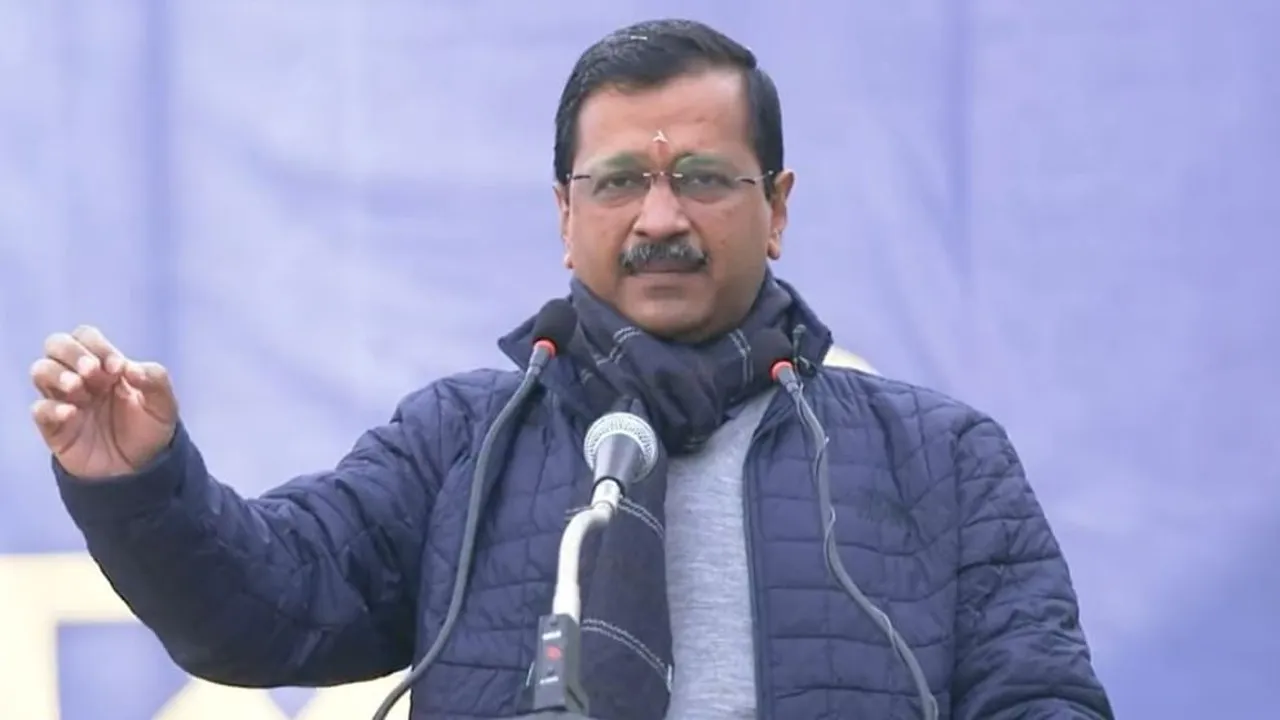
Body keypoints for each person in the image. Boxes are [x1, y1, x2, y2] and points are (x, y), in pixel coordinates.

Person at [32, 18, 1113, 720]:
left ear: (777, 208)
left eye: (703, 178)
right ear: (564, 214)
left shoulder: (939, 460)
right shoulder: (462, 446)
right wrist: (140, 486)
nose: (660, 218)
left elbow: (1042, 698)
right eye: (616, 183)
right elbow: (264, 608)